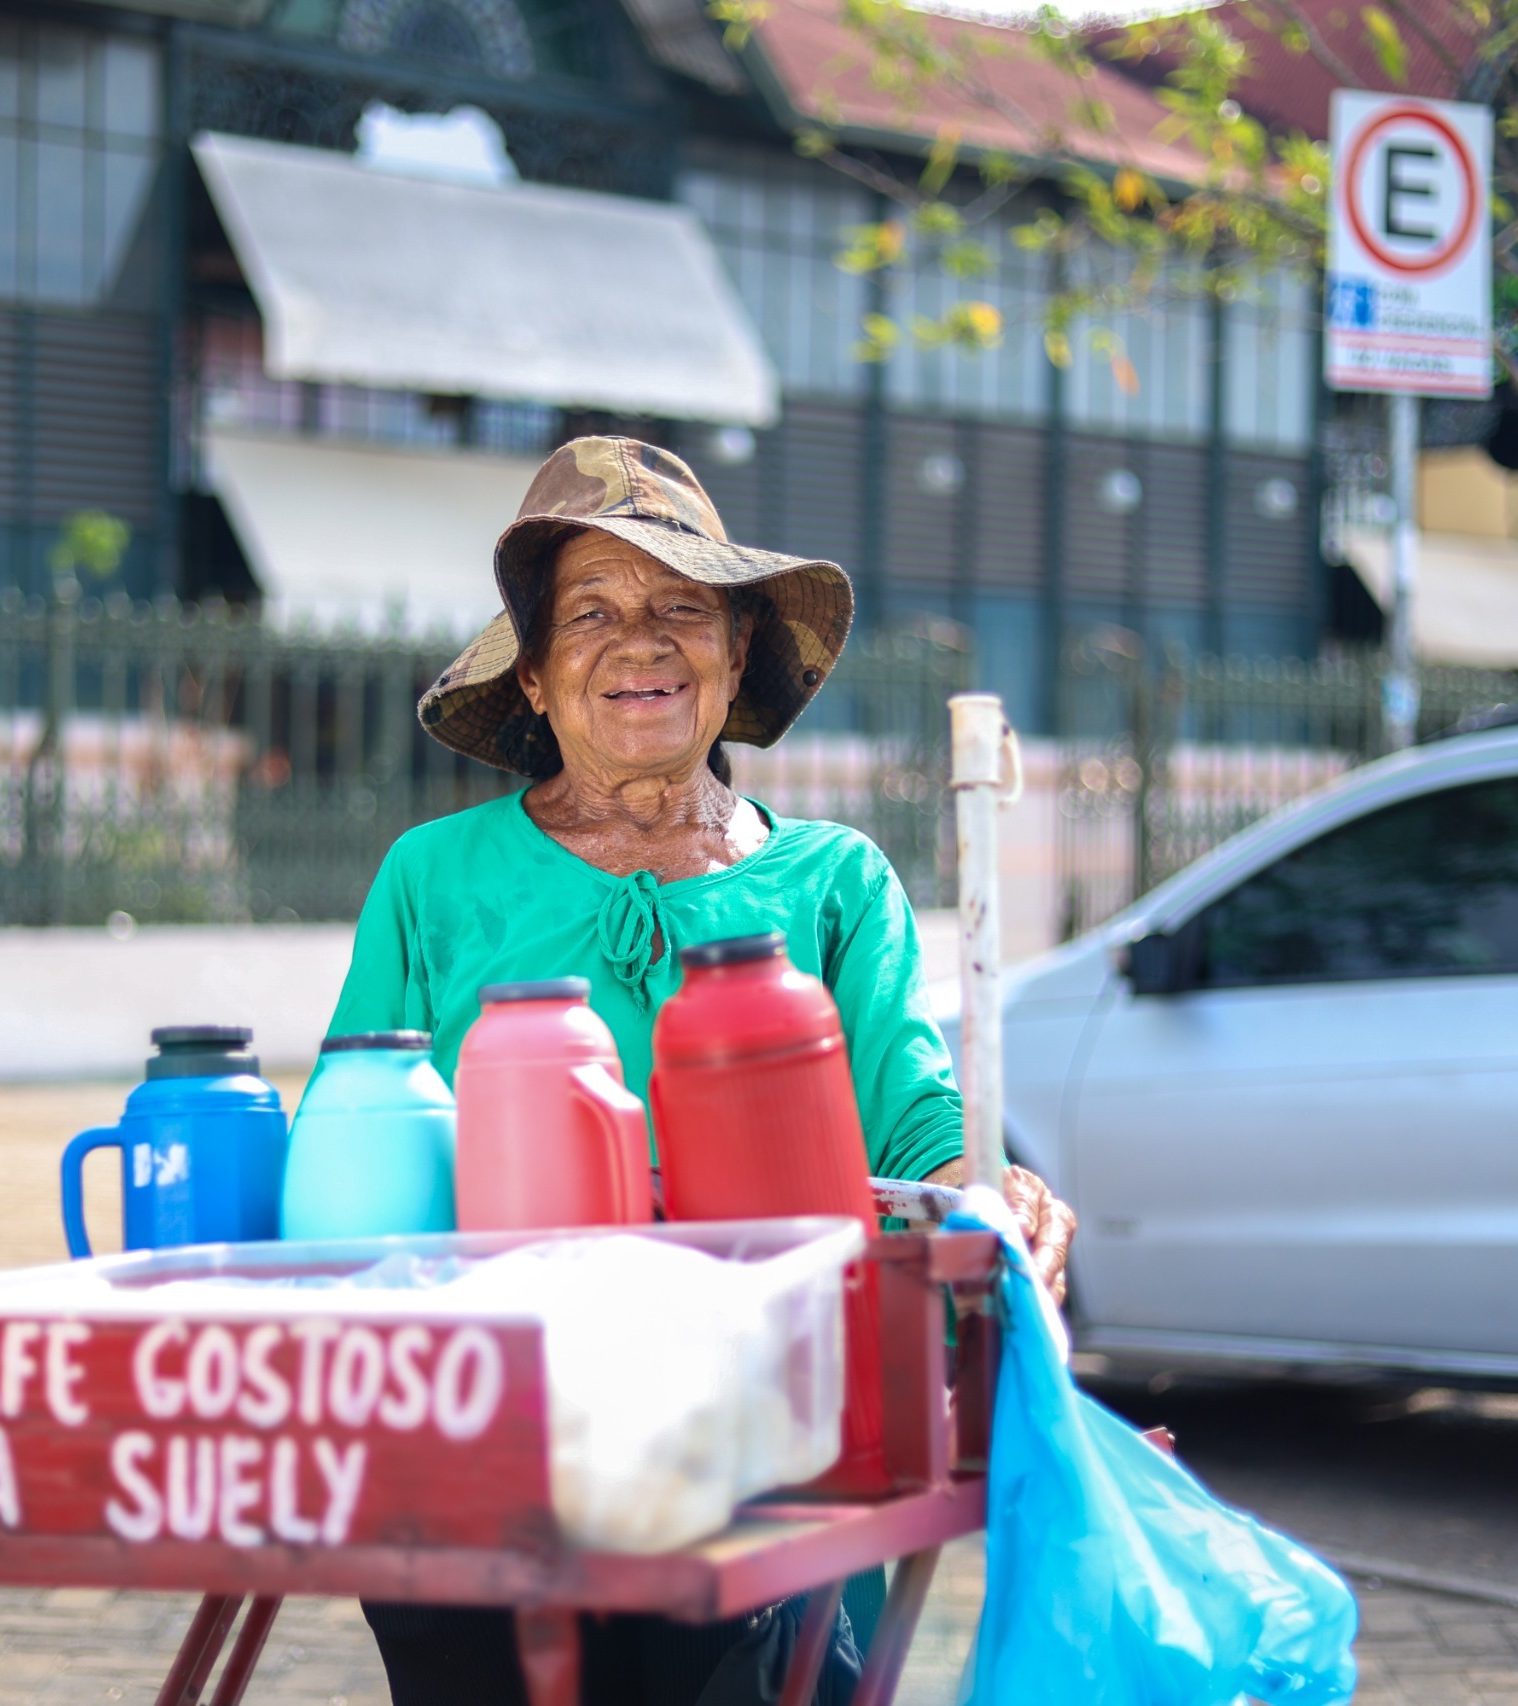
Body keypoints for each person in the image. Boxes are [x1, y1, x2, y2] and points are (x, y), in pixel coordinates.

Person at [327, 436, 1076, 1706]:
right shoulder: (431, 877)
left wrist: (991, 1190)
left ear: (735, 653)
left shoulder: (838, 880)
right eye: (592, 613)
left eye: (684, 607)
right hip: (487, 1433)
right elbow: (353, 1141)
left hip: (763, 1427)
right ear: (538, 669)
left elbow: (916, 1117)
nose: (643, 642)